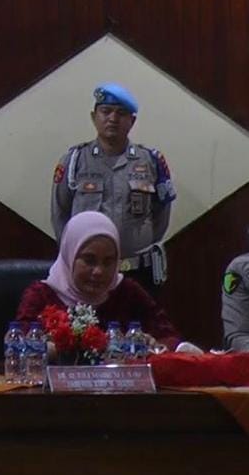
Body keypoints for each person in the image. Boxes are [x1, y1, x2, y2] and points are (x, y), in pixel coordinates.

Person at [51, 83, 175, 293]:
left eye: (121, 113)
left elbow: (161, 216)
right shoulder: (75, 160)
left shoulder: (150, 161)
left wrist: (137, 244)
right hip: (88, 275)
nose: (113, 118)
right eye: (106, 111)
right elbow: (60, 214)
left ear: (132, 121)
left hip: (137, 273)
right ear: (94, 117)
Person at [17, 210, 190, 352]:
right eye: (89, 260)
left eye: (108, 262)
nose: (99, 271)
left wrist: (154, 344)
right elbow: (19, 344)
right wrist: (56, 349)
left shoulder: (127, 291)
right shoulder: (42, 295)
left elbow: (170, 338)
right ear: (70, 256)